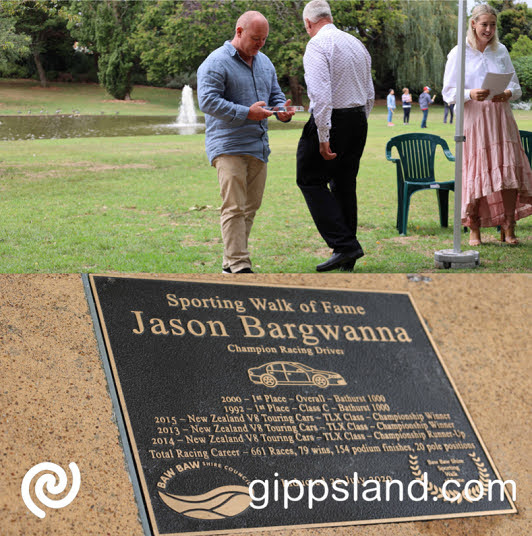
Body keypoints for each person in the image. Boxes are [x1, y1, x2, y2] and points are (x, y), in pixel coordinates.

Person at [197, 11, 294, 273]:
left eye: (264, 39)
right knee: (234, 206)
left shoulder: (265, 63)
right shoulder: (216, 62)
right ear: (239, 32)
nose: (260, 44)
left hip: (258, 146)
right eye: (255, 38)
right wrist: (246, 113)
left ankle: (230, 265)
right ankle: (240, 265)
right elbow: (207, 101)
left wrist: (281, 111)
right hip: (227, 146)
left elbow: (275, 95)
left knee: (250, 207)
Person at [442, 3, 532, 246]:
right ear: (473, 24)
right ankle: (474, 228)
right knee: (476, 173)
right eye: (484, 24)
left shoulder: (500, 50)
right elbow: (448, 92)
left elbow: (517, 87)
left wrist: (508, 93)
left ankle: (509, 226)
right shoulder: (458, 53)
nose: (489, 29)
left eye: (492, 25)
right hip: (475, 120)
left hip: (501, 119)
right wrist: (470, 93)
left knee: (508, 172)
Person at [296, 0, 374, 272]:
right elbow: (370, 92)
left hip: (334, 119)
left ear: (309, 23)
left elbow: (320, 94)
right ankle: (347, 254)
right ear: (329, 17)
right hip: (358, 118)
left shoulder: (317, 45)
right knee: (344, 183)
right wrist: (360, 120)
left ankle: (344, 245)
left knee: (309, 179)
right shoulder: (356, 44)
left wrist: (323, 133)